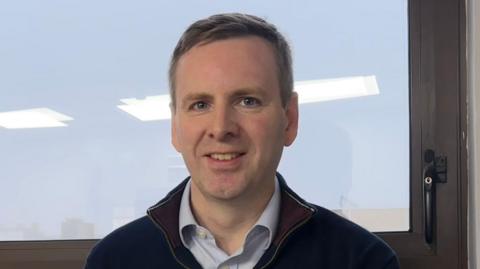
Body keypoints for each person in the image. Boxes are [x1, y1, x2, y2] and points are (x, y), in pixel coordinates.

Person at [84, 13, 400, 269]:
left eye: (247, 101)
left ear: (289, 119)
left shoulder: (361, 260)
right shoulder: (113, 261)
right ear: (175, 127)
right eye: (200, 105)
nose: (221, 128)